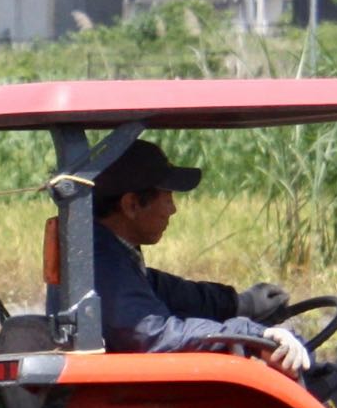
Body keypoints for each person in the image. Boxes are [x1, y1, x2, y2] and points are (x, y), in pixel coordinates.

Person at [90, 139, 311, 378]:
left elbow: (173, 292)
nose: (172, 209)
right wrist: (252, 335)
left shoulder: (112, 255)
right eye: (167, 197)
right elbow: (155, 334)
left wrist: (240, 304)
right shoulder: (105, 267)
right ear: (131, 205)